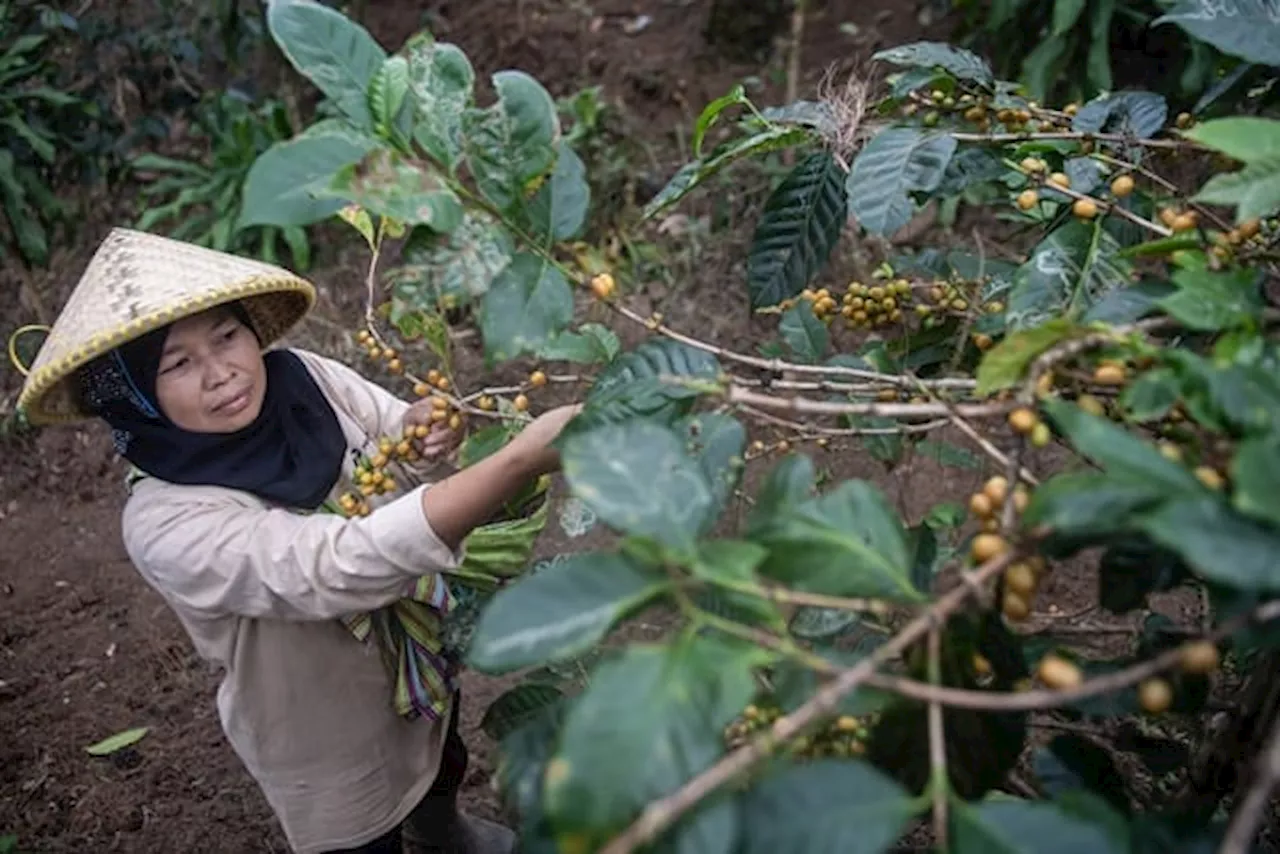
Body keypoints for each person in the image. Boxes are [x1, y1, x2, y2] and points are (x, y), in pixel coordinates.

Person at [14, 228, 580, 854]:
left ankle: (443, 828)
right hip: (318, 725)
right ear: (136, 396)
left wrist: (419, 433)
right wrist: (517, 462)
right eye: (177, 363)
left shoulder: (304, 378)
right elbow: (332, 567)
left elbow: (386, 432)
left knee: (439, 753)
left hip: (412, 650)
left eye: (227, 337)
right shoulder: (165, 521)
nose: (221, 372)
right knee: (363, 829)